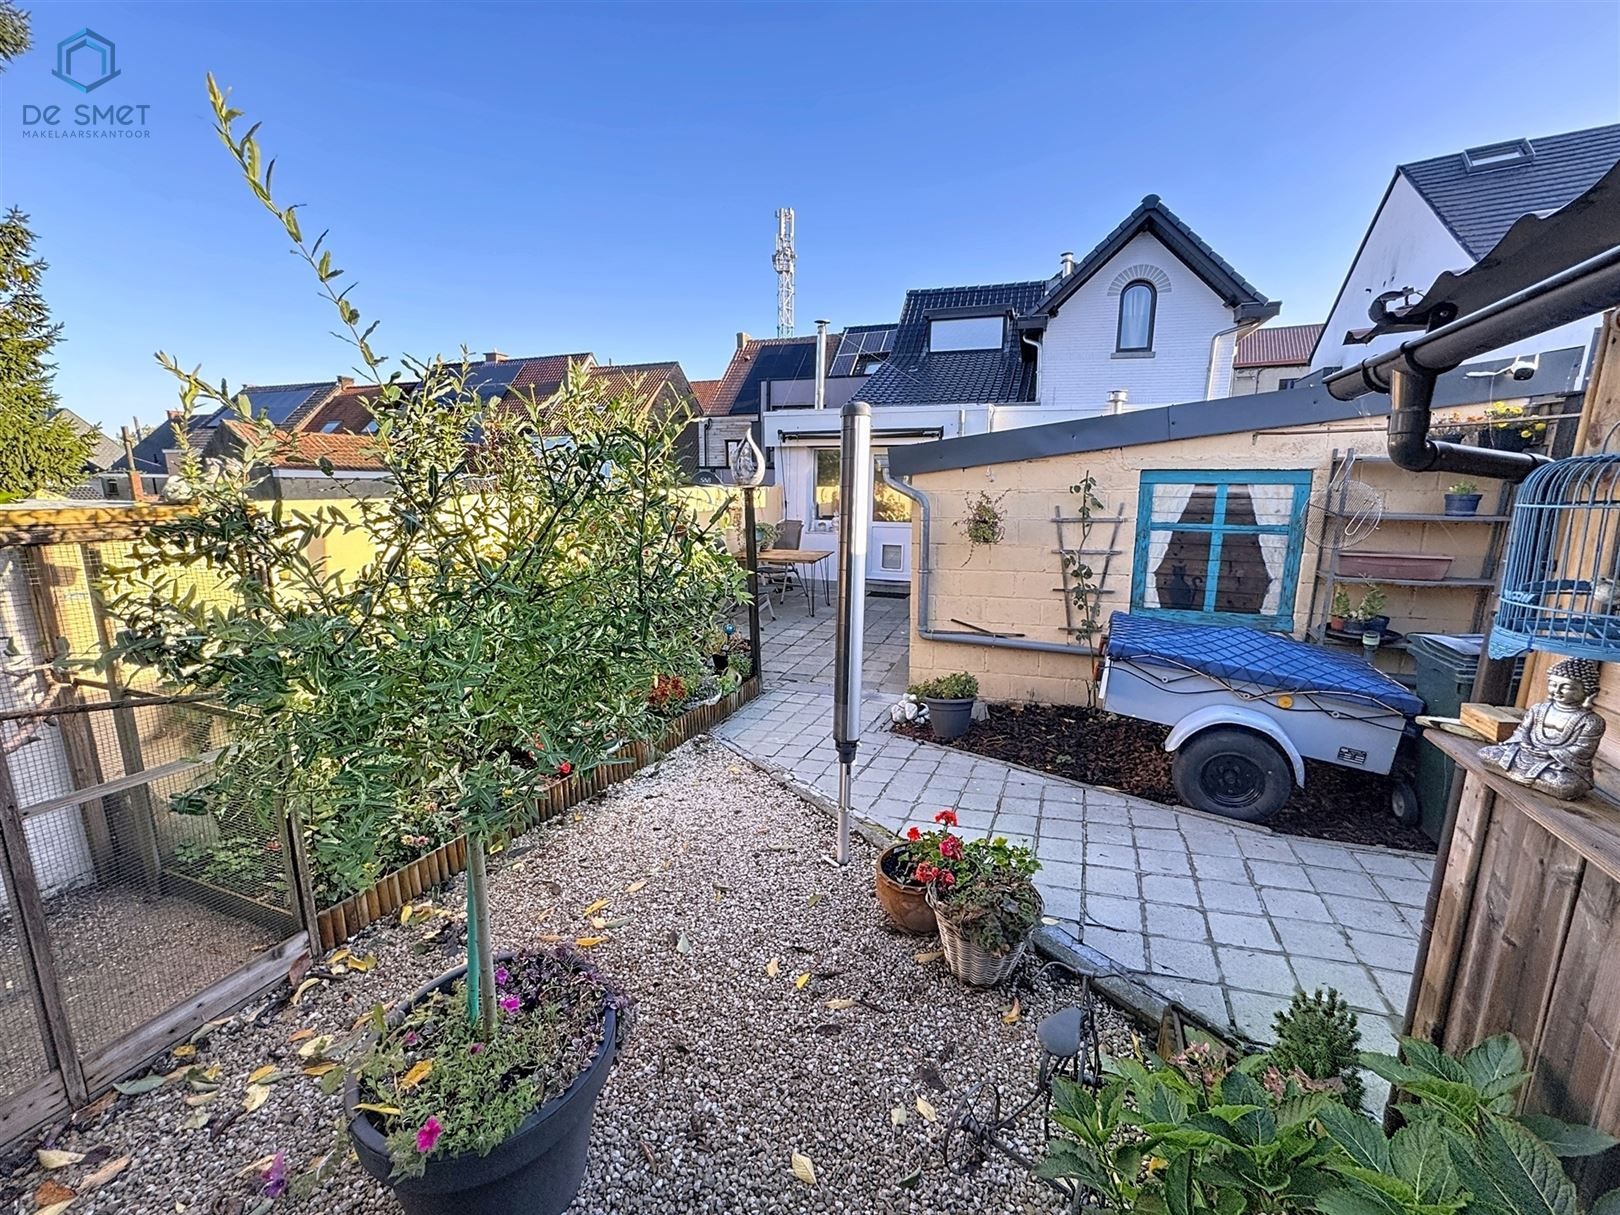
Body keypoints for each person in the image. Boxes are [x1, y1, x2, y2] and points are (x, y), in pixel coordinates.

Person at [1479, 657, 1605, 800]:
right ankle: (1525, 774)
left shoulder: (1591, 721)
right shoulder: (1538, 709)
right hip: (1525, 753)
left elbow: (1582, 749)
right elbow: (1522, 731)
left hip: (1555, 763)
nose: (1557, 690)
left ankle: (1525, 775)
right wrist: (1526, 744)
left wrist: (1550, 754)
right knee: (1486, 753)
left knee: (1566, 785)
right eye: (1552, 684)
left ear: (1589, 691)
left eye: (1566, 687)